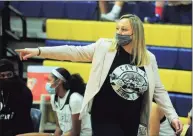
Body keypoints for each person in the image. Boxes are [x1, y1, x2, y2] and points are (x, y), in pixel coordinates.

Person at [16, 14, 183, 136]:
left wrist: (173, 116)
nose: (119, 33)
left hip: (132, 117)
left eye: (124, 30)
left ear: (136, 34)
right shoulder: (104, 47)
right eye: (117, 28)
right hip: (104, 115)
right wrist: (38, 51)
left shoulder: (148, 58)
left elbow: (159, 91)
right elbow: (72, 52)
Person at [17, 67, 92, 136]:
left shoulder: (75, 99)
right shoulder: (53, 98)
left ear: (59, 81)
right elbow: (59, 127)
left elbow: (75, 132)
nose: (47, 84)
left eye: (49, 80)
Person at [0, 59, 34, 136]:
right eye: (2, 76)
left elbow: (22, 120)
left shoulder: (23, 91)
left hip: (18, 131)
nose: (6, 78)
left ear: (14, 74)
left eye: (9, 75)